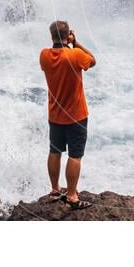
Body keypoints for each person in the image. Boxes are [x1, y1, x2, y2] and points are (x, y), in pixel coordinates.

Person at [39, 20, 96, 209]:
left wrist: (65, 42)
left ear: (51, 36)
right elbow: (92, 60)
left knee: (55, 152)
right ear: (67, 36)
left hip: (55, 115)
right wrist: (76, 43)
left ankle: (55, 190)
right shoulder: (76, 55)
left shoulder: (44, 56)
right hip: (76, 116)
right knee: (75, 156)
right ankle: (72, 195)